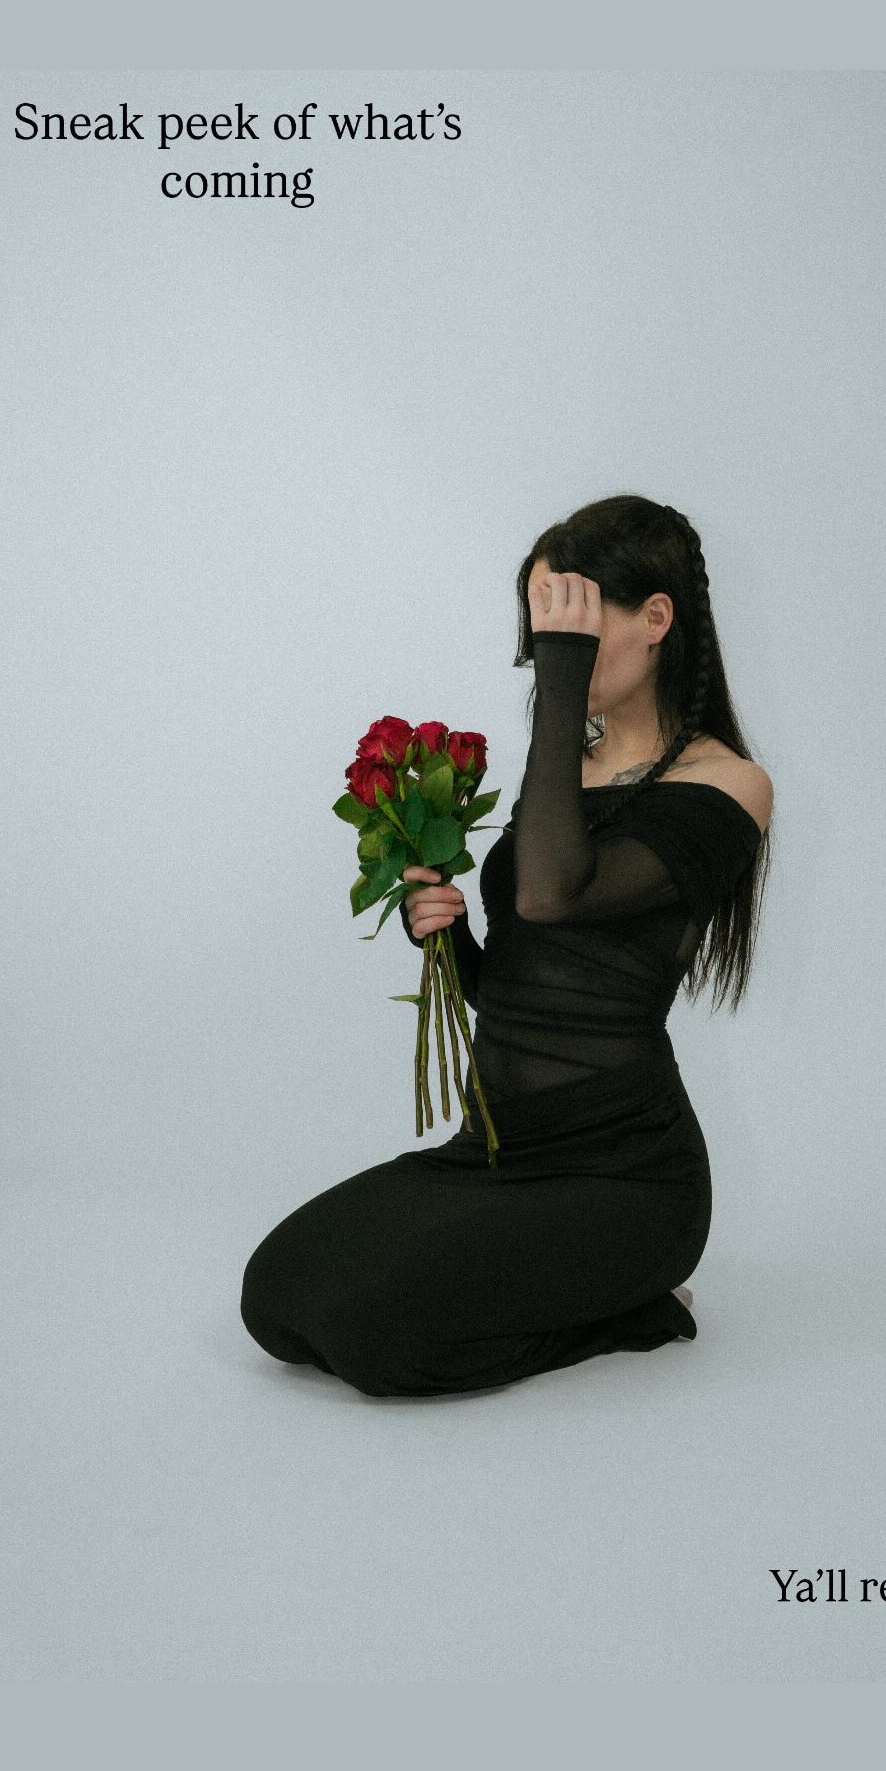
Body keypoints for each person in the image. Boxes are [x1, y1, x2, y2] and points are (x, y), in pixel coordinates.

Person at [240, 494, 773, 1396]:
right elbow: (525, 989)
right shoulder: (568, 773)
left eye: (571, 623)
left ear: (655, 619)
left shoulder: (729, 785)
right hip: (497, 1150)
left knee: (373, 1341)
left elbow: (550, 894)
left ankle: (633, 1309)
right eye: (540, 628)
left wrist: (559, 685)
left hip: (626, 1179)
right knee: (278, 1297)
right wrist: (448, 937)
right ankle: (561, 1284)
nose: (545, 649)